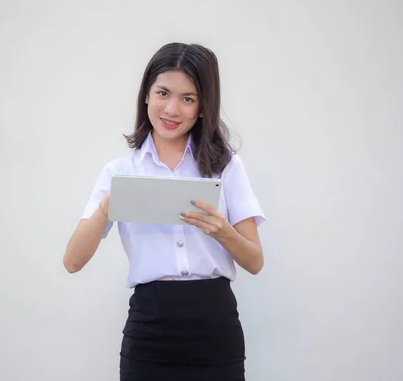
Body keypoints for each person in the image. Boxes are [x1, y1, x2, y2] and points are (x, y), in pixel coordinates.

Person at [63, 42, 266, 381]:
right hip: (149, 329)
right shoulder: (119, 172)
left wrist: (222, 232)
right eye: (163, 93)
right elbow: (72, 261)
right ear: (146, 95)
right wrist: (106, 208)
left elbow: (255, 262)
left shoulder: (225, 167)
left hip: (215, 327)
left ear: (203, 107)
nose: (172, 109)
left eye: (188, 98)